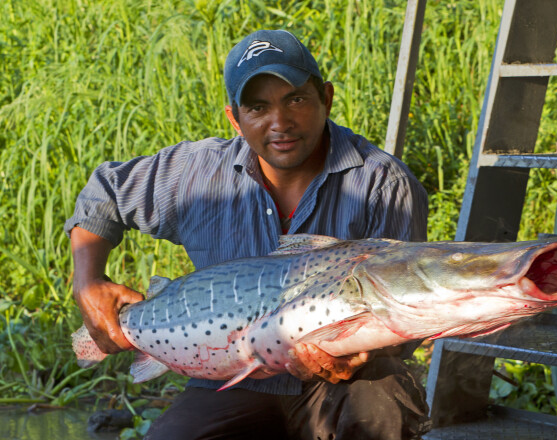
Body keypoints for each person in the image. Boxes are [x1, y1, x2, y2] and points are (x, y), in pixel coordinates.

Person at [65, 29, 431, 440]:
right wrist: (88, 282)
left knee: (383, 408)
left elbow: (403, 311)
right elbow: (105, 193)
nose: (280, 123)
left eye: (296, 99)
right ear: (234, 119)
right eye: (258, 107)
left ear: (325, 98)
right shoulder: (196, 173)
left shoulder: (383, 183)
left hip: (349, 384)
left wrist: (353, 355)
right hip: (232, 377)